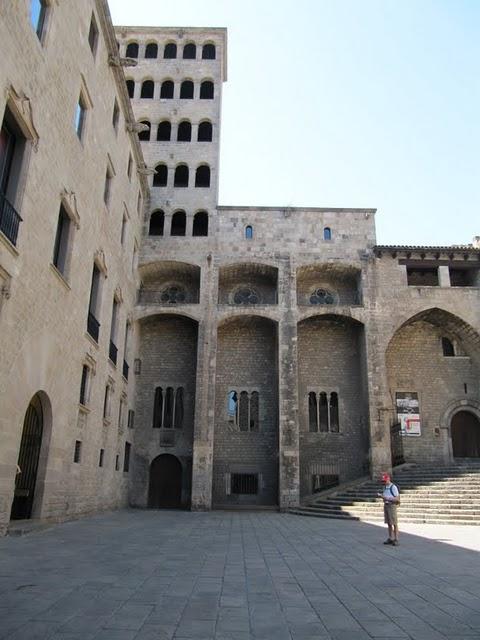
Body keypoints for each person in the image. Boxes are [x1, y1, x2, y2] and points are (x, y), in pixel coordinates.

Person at [378, 472, 399, 546]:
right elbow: (385, 496)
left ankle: (396, 539)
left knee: (394, 523)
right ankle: (390, 538)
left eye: (385, 480)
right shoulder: (384, 487)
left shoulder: (393, 487)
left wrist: (387, 498)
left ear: (388, 478)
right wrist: (383, 497)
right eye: (383, 481)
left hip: (392, 505)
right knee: (389, 523)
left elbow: (397, 498)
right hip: (386, 505)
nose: (384, 482)